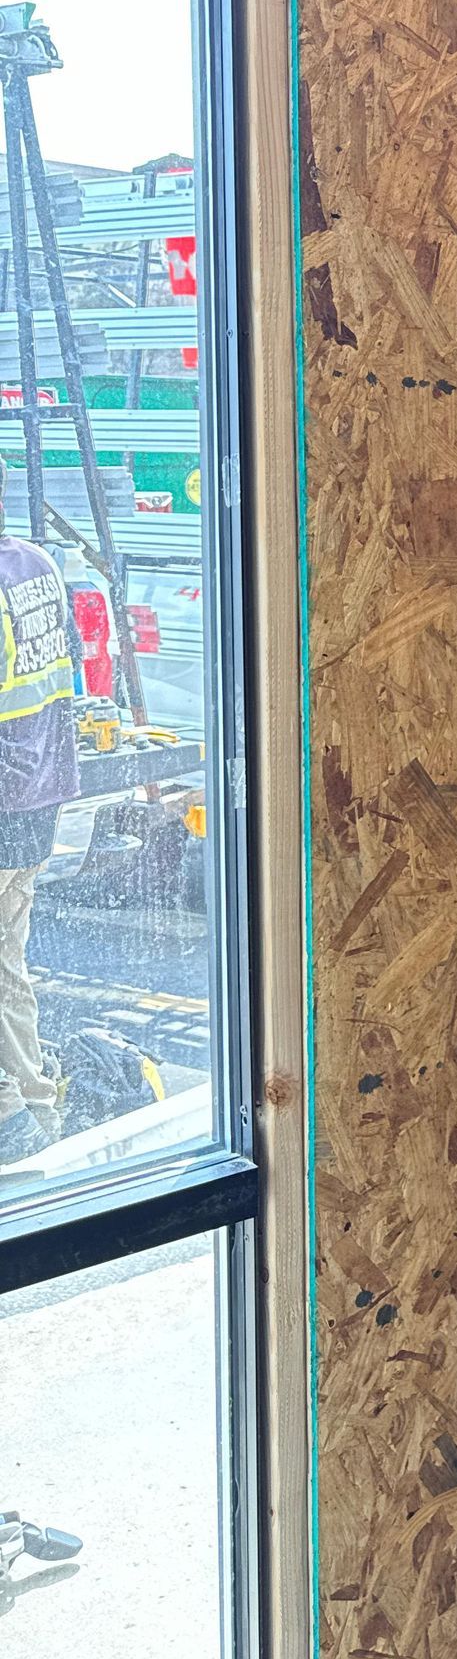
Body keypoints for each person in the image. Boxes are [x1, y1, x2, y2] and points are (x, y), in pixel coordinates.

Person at [0, 459, 78, 1162]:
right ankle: (33, 1101)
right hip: (42, 796)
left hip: (3, 793)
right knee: (7, 962)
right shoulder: (39, 564)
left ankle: (8, 1121)